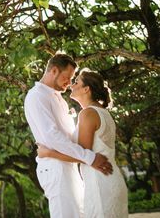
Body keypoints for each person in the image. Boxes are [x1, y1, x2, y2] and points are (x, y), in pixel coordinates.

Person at [24, 54, 113, 218]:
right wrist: (89, 157)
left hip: (70, 166)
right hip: (55, 168)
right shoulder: (37, 96)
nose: (69, 83)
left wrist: (87, 157)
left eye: (73, 79)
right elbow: (52, 137)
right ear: (54, 70)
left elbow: (71, 138)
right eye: (67, 77)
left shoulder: (59, 99)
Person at [37, 69, 128, 218]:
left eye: (76, 82)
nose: (72, 85)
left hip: (100, 184)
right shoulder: (102, 112)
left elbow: (83, 155)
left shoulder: (88, 114)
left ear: (86, 89)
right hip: (109, 179)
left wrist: (47, 153)